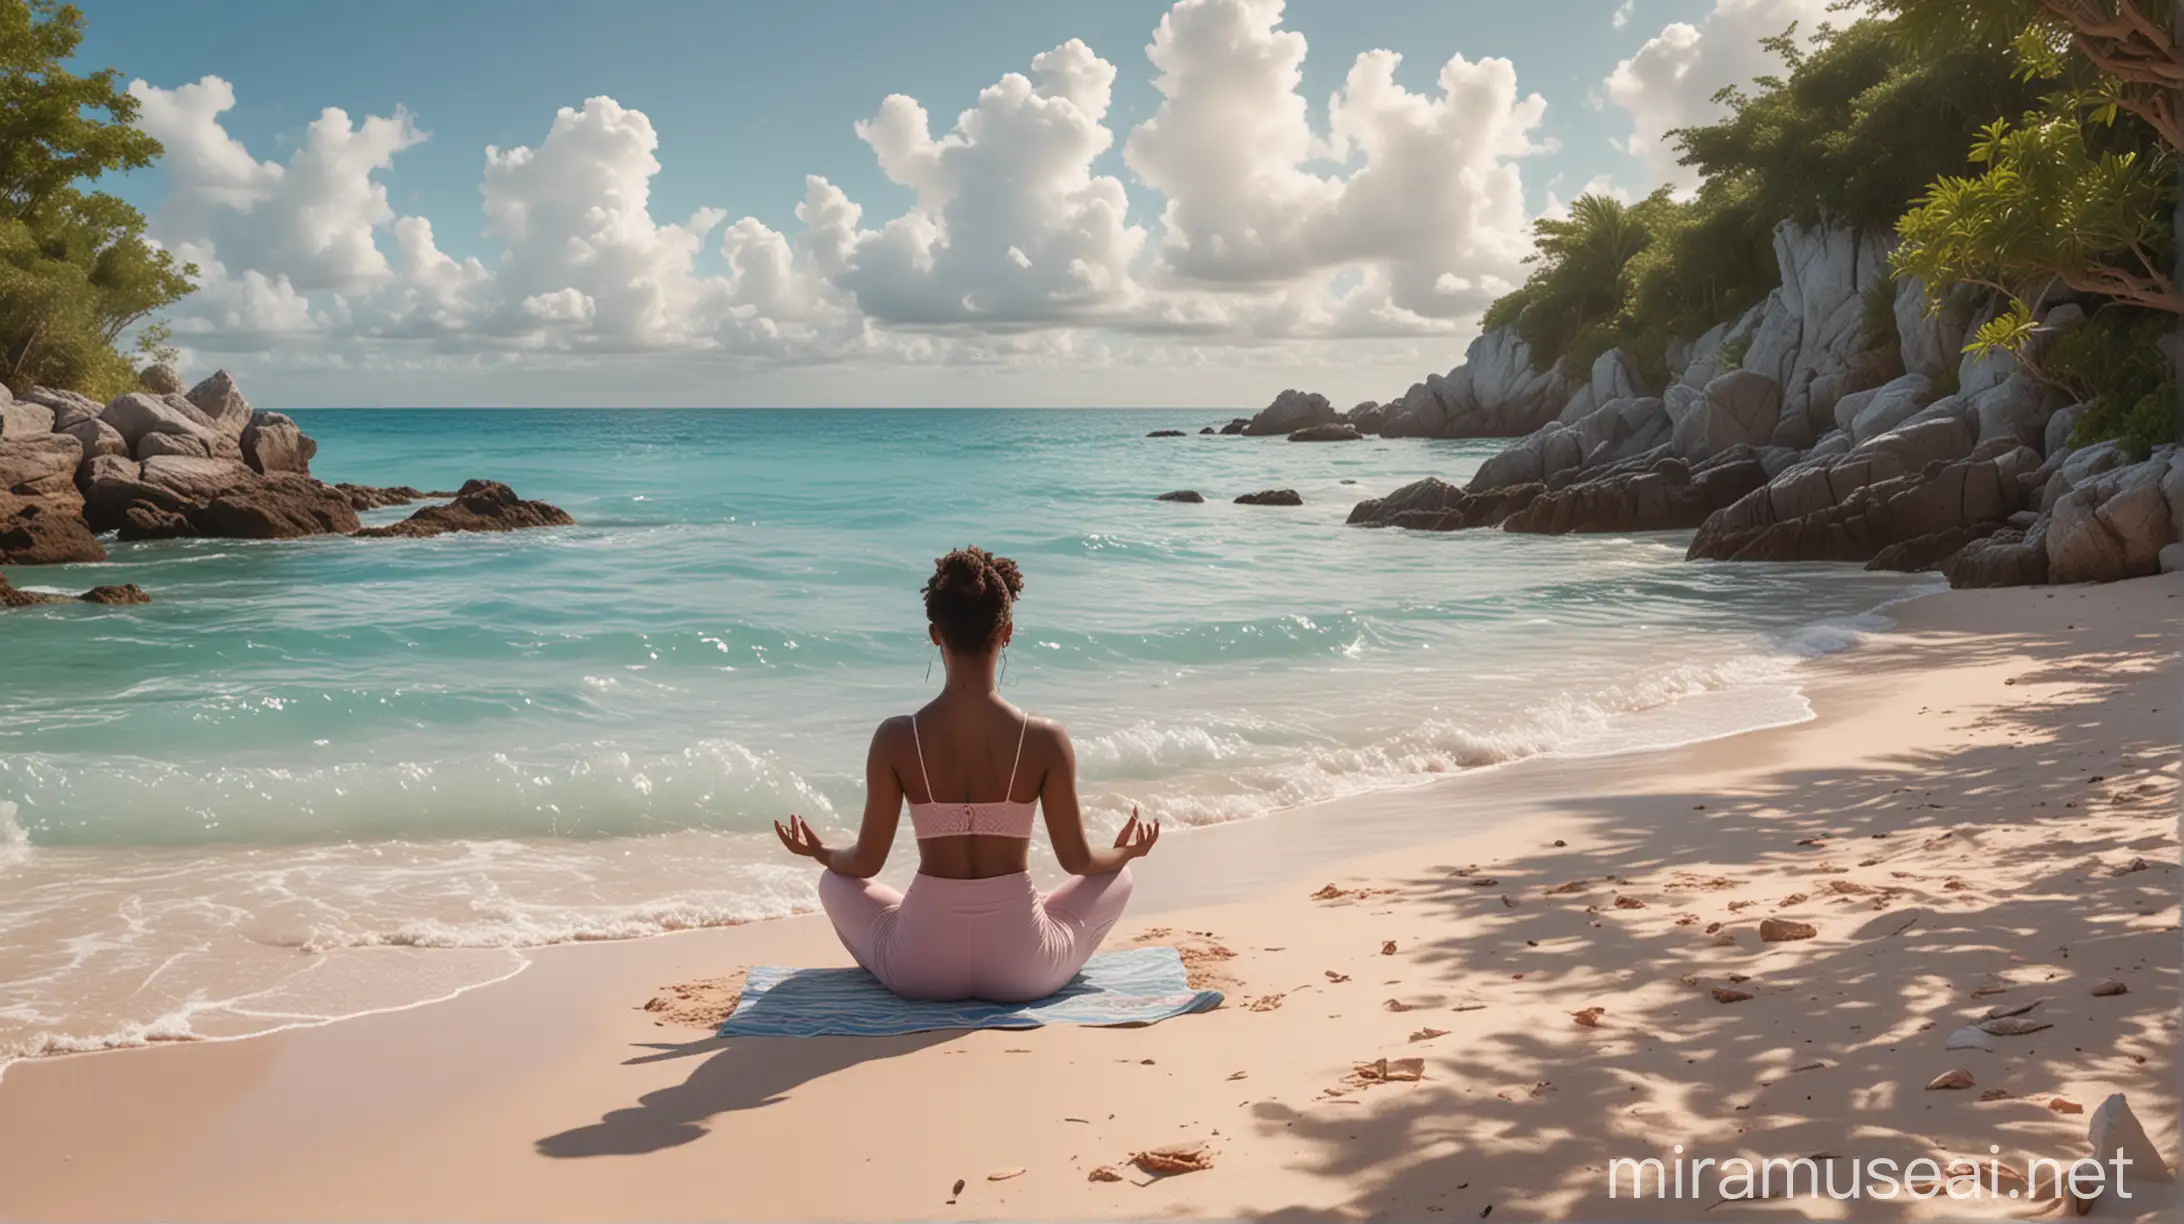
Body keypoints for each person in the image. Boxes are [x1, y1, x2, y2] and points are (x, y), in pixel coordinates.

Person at [773, 545, 1158, 1003]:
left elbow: (865, 863)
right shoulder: (1045, 739)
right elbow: (1078, 862)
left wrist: (821, 852)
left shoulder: (897, 737)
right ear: (1007, 633)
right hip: (1023, 968)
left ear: (936, 635)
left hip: (920, 968)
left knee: (833, 881)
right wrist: (1124, 854)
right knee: (1119, 878)